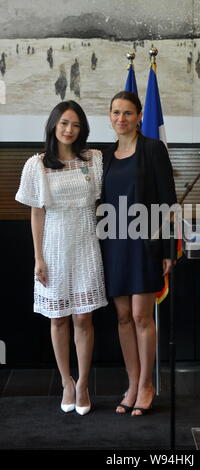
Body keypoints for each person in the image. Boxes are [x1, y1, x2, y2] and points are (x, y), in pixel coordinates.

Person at [15, 100, 107, 415]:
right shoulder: (37, 165)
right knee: (58, 318)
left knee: (83, 317)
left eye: (76, 125)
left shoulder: (93, 160)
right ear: (54, 124)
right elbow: (36, 214)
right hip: (53, 246)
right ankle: (66, 381)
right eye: (65, 123)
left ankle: (83, 383)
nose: (69, 130)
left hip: (85, 244)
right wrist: (38, 257)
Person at [99, 91, 177, 416]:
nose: (121, 118)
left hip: (144, 243)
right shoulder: (104, 156)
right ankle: (132, 384)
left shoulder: (153, 150)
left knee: (143, 316)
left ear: (139, 115)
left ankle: (147, 384)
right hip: (113, 244)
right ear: (110, 116)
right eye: (116, 112)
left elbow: (168, 202)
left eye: (127, 113)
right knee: (122, 317)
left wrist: (168, 248)